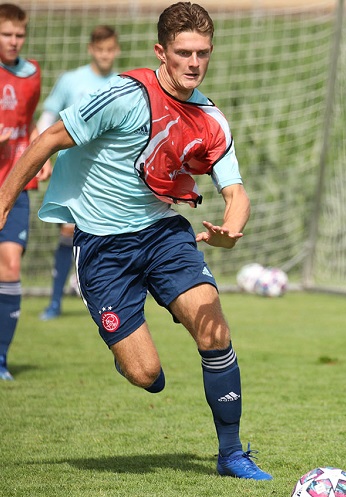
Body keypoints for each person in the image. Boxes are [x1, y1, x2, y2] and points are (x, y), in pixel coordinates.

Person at [0, 2, 272, 479]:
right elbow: (47, 139)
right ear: (161, 52)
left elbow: (237, 193)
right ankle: (128, 355)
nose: (194, 63)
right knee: (146, 375)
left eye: (203, 53)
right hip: (103, 248)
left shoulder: (211, 119)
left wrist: (231, 230)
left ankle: (231, 455)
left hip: (163, 234)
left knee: (215, 331)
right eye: (184, 52)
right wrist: (3, 202)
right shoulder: (124, 96)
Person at [35, 24, 121, 321]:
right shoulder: (72, 80)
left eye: (110, 50)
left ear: (117, 50)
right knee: (67, 233)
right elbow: (49, 116)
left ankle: (107, 299)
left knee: (112, 235)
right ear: (90, 50)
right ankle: (55, 301)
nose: (105, 55)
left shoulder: (122, 83)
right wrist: (40, 156)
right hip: (75, 173)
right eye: (100, 50)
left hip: (111, 175)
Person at [0, 3, 49, 381]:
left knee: (11, 267)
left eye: (19, 35)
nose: (14, 42)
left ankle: (1, 360)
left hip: (14, 185)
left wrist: (39, 153)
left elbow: (28, 122)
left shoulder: (32, 74)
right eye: (7, 35)